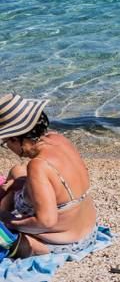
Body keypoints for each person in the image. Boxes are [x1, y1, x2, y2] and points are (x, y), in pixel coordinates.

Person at [0, 94, 97, 257]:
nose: (8, 147)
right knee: (17, 171)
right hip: (88, 228)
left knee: (4, 236)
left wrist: (7, 220)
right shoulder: (57, 138)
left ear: (16, 139)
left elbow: (46, 222)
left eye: (6, 142)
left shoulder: (38, 165)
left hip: (65, 242)